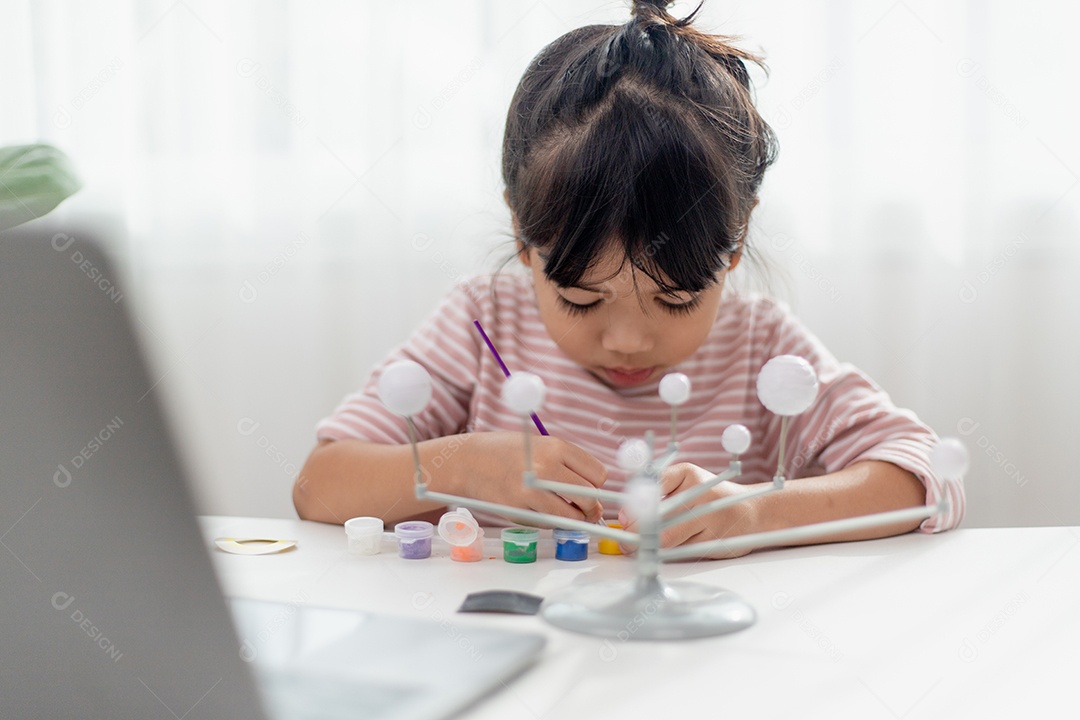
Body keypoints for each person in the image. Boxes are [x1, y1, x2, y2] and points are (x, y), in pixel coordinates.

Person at [293, 0, 965, 558]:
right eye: (582, 298)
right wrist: (452, 466)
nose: (626, 339)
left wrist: (757, 515)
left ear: (735, 248)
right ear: (524, 241)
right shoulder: (481, 324)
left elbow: (929, 473)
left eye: (675, 299)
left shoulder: (759, 346)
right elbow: (319, 487)